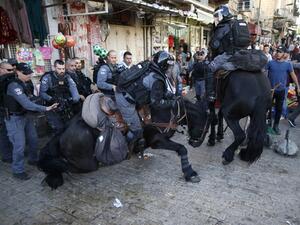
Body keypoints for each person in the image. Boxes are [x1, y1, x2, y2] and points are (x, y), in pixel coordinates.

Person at [3, 63, 58, 180]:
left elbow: (31, 97)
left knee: (33, 139)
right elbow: (26, 103)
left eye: (29, 73)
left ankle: (33, 159)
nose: (29, 75)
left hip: (26, 116)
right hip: (15, 118)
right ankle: (18, 170)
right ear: (17, 72)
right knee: (19, 145)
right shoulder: (13, 85)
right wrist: (45, 108)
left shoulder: (26, 82)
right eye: (26, 73)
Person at [115, 51, 178, 150]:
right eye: (169, 67)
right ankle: (123, 149)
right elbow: (156, 103)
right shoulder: (157, 79)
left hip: (130, 95)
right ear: (164, 66)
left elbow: (158, 91)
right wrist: (173, 102)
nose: (170, 69)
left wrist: (170, 96)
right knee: (137, 130)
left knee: (143, 122)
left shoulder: (150, 66)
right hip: (125, 99)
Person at [206, 4, 250, 101]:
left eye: (217, 16)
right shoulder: (235, 24)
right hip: (243, 53)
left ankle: (211, 94)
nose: (216, 18)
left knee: (209, 69)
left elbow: (214, 45)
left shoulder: (223, 26)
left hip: (229, 54)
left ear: (222, 14)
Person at [40, 60, 80, 134]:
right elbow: (42, 93)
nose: (62, 71)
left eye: (63, 69)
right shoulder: (47, 77)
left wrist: (71, 100)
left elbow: (74, 91)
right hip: (51, 106)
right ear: (54, 68)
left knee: (68, 127)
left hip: (64, 106)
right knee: (57, 129)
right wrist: (52, 99)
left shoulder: (67, 77)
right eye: (59, 69)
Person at [267, 45, 300, 134]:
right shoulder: (270, 63)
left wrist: (298, 86)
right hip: (270, 91)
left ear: (284, 54)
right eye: (277, 51)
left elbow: (293, 76)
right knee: (268, 109)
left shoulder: (288, 64)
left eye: (280, 52)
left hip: (281, 91)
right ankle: (268, 125)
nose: (278, 53)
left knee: (279, 109)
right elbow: (264, 74)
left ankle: (276, 126)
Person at [0, 62, 14, 163]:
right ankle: (6, 155)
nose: (11, 72)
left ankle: (11, 152)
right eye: (9, 70)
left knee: (9, 133)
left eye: (12, 70)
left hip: (8, 110)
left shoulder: (8, 80)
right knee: (4, 134)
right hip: (2, 112)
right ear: (1, 69)